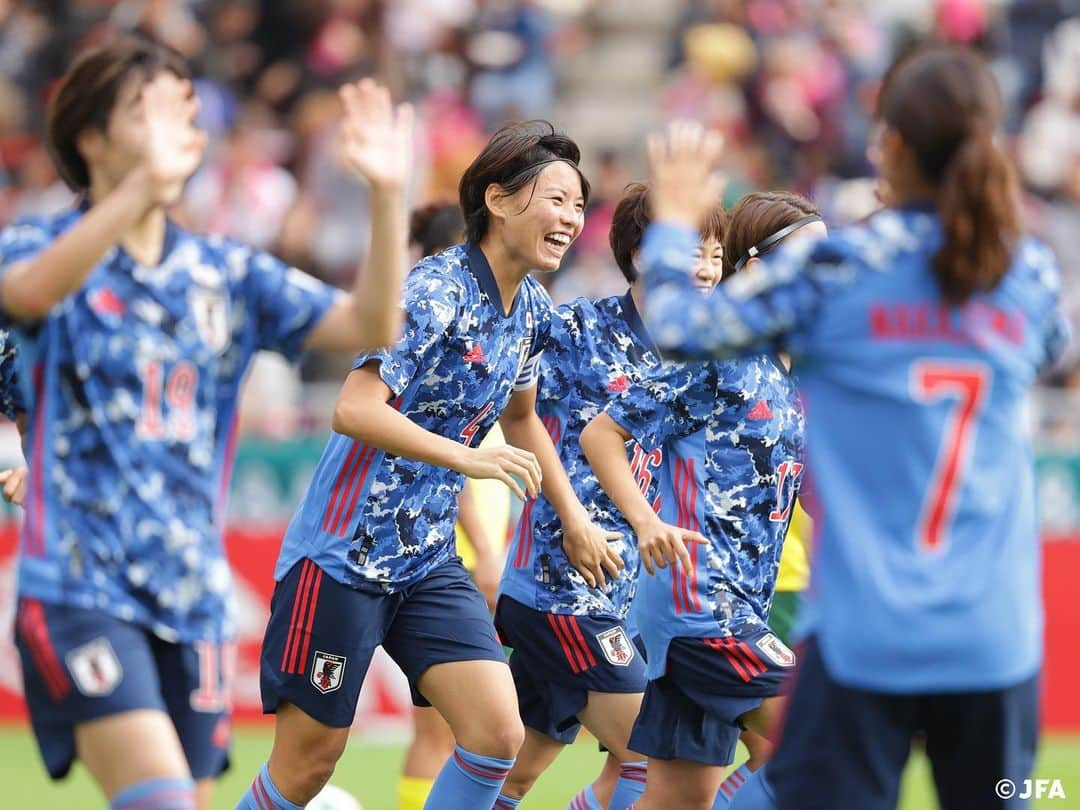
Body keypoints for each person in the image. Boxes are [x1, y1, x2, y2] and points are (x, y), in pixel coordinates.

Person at [636, 47, 1071, 810]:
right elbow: (1049, 348)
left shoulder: (836, 268)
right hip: (995, 636)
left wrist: (674, 226)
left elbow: (677, 327)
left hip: (866, 633)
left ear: (892, 146)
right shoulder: (1025, 273)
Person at [1, 35, 413, 810]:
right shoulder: (38, 244)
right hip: (79, 589)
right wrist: (135, 193)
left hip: (191, 599)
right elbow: (24, 297)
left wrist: (387, 196)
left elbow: (373, 321)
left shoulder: (226, 273)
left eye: (183, 108)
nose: (178, 123)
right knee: (159, 798)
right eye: (149, 108)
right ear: (91, 137)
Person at [244, 120, 624, 810]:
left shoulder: (532, 310)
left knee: (494, 735)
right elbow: (354, 408)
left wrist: (572, 519)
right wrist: (468, 460)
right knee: (308, 766)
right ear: (498, 199)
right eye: (555, 199)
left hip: (426, 559)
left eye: (578, 204)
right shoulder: (435, 290)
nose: (571, 218)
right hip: (342, 556)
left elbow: (521, 419)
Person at [581, 188, 821, 810]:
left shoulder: (794, 369)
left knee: (677, 801)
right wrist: (643, 521)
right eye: (811, 259)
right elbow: (602, 432)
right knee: (826, 740)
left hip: (731, 605)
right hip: (701, 606)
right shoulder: (723, 353)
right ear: (762, 269)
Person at [493, 183, 725, 810]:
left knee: (511, 774)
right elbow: (517, 405)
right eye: (692, 250)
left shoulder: (702, 359)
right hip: (557, 587)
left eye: (716, 255)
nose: (706, 269)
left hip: (620, 595)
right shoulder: (577, 328)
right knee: (655, 762)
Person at [396, 201, 511, 810]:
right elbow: (453, 461)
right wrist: (489, 552)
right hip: (457, 560)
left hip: (457, 557)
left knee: (458, 732)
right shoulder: (455, 341)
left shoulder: (489, 334)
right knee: (451, 731)